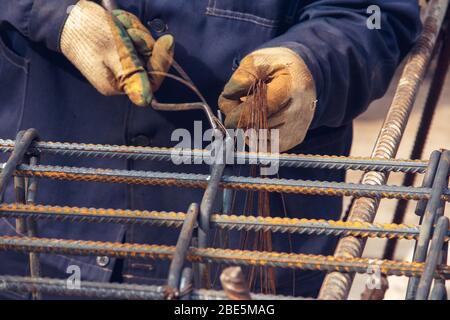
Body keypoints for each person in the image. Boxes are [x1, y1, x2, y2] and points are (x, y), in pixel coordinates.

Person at [0, 0, 422, 299]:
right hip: (42, 237)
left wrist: (313, 65)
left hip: (254, 244)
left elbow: (370, 14)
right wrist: (53, 13)